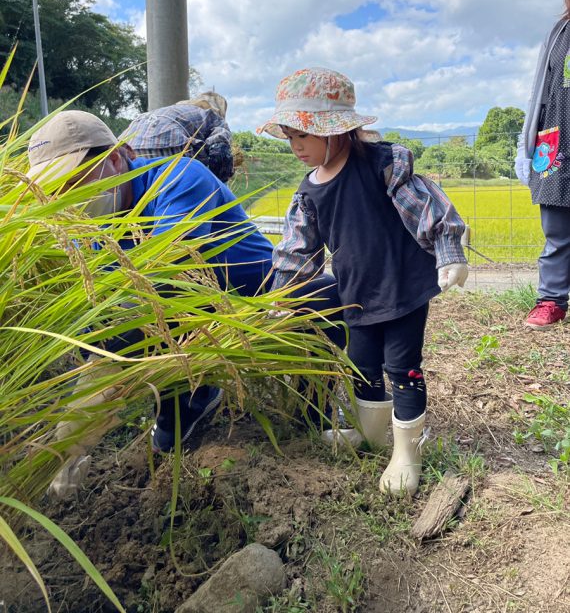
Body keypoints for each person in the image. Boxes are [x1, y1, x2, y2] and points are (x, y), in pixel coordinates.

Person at [257, 67, 468, 496]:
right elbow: (297, 247)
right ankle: (370, 437)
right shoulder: (309, 191)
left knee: (402, 368)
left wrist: (448, 250)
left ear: (337, 132)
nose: (296, 146)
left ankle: (406, 451)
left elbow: (426, 206)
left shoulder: (381, 165)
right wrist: (283, 294)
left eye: (304, 135)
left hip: (404, 286)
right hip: (355, 291)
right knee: (363, 365)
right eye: (290, 136)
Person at [26, 110, 273, 476]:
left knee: (132, 324)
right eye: (57, 192)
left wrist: (73, 432)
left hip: (261, 301)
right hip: (195, 316)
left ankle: (197, 398)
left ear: (115, 157)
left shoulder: (179, 178)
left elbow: (160, 285)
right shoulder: (91, 228)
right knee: (114, 339)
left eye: (76, 182)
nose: (70, 199)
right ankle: (193, 401)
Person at [515, 0, 570, 330]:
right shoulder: (559, 32)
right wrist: (527, 144)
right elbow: (541, 91)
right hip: (558, 138)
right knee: (557, 230)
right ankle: (551, 300)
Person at [120, 92, 235, 182]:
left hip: (126, 152)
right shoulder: (209, 114)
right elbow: (219, 143)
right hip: (169, 145)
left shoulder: (170, 111)